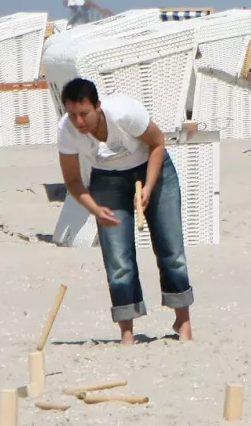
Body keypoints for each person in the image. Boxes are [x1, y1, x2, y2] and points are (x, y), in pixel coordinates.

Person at [56, 78, 194, 345]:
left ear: (97, 106)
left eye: (84, 114)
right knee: (118, 258)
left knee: (171, 248)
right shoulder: (66, 131)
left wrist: (149, 187)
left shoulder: (123, 113)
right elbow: (72, 180)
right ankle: (127, 333)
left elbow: (157, 142)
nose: (79, 121)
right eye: (72, 114)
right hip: (107, 180)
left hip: (154, 168)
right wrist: (95, 209)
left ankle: (183, 322)